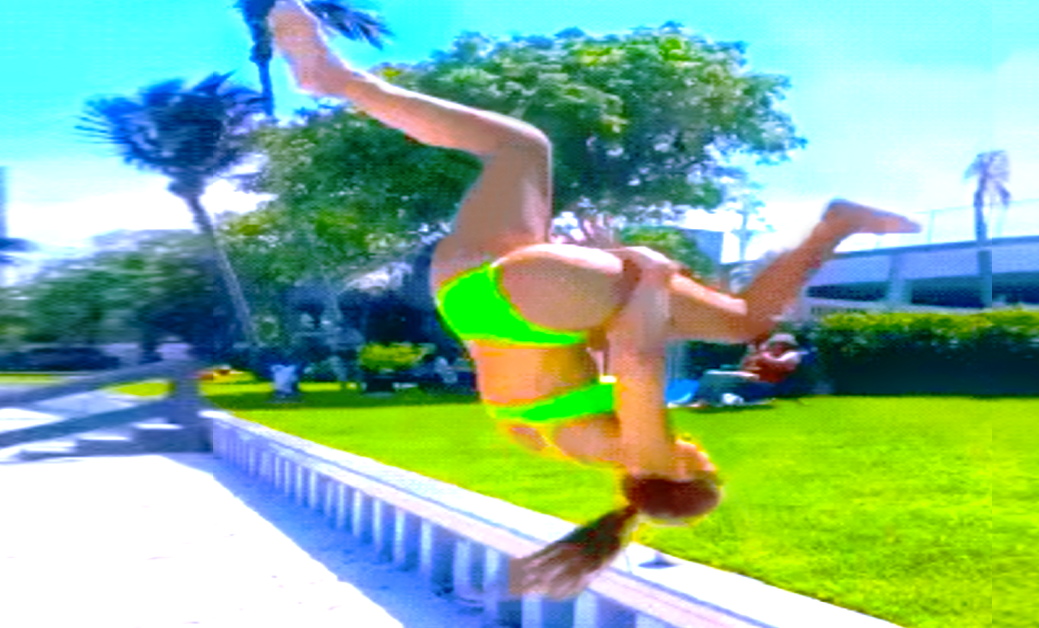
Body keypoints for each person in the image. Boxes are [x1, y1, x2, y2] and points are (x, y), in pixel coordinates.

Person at [269, 0, 920, 599]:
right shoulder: (574, 443)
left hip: (529, 305)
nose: (703, 454)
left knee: (747, 320)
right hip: (469, 294)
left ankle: (835, 224)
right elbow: (594, 352)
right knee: (521, 148)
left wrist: (648, 277)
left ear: (682, 476)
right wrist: (596, 268)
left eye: (707, 468)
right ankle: (338, 80)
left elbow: (638, 360)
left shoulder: (648, 454)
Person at [691, 333, 806, 406]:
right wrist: (750, 357)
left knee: (715, 377)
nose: (776, 346)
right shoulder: (764, 354)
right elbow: (743, 367)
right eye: (774, 344)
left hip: (767, 383)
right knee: (710, 376)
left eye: (780, 344)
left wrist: (763, 355)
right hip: (749, 378)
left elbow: (783, 365)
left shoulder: (792, 354)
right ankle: (701, 400)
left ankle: (705, 401)